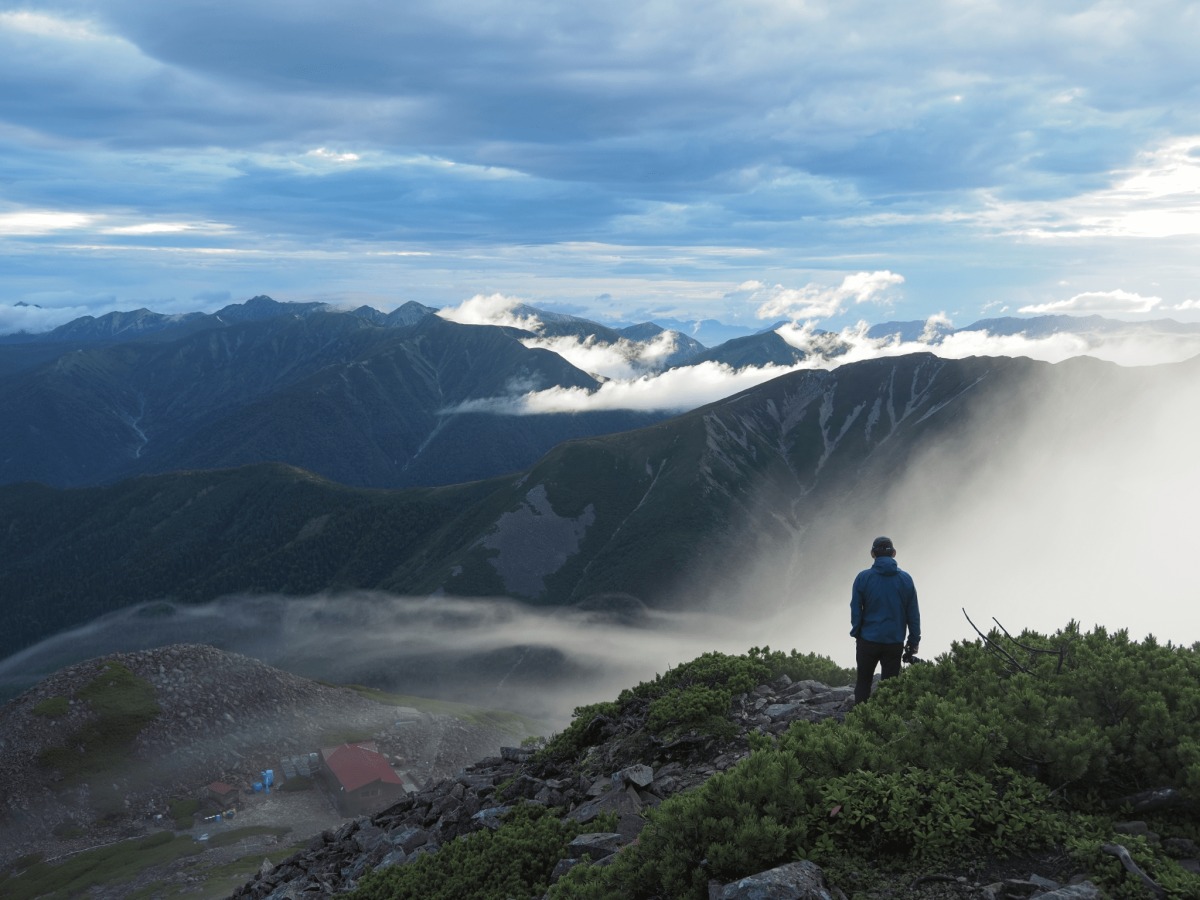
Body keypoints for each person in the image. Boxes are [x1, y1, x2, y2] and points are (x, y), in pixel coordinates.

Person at [850, 536, 920, 704]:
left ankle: (860, 720)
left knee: (863, 682)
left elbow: (855, 609)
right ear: (894, 553)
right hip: (894, 642)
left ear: (873, 554)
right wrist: (913, 641)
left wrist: (857, 632)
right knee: (890, 688)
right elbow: (913, 613)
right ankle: (886, 723)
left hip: (868, 640)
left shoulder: (863, 578)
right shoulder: (905, 579)